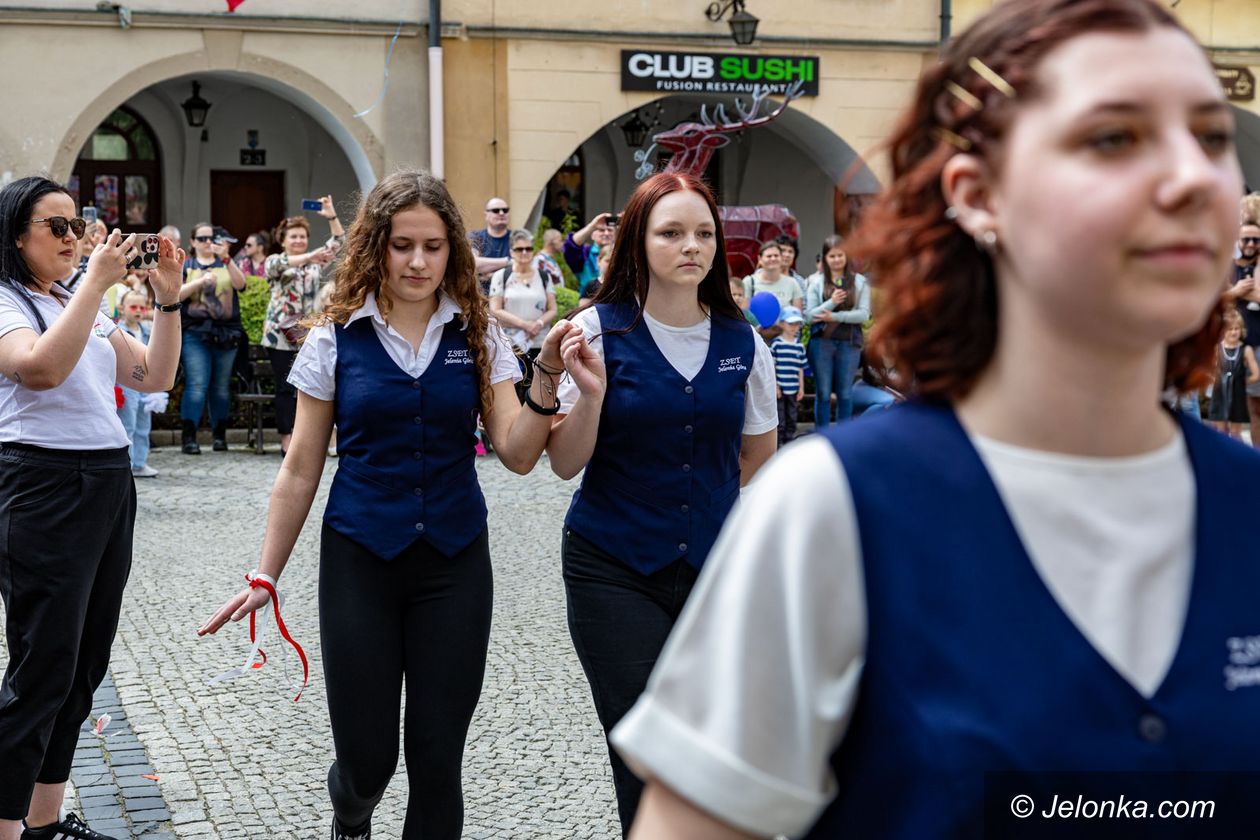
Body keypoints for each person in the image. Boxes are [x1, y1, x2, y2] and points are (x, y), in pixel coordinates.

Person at [612, 2, 1260, 837]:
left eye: (1210, 137)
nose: (1189, 177)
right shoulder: (842, 506)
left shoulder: (1247, 507)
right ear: (978, 193)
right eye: (1113, 139)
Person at [198, 170, 567, 840]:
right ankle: (351, 814)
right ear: (377, 247)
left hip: (455, 563)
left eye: (432, 245)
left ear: (453, 249)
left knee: (437, 762)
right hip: (359, 559)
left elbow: (516, 452)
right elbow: (302, 466)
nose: (419, 261)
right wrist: (265, 574)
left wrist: (546, 378)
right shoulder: (335, 336)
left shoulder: (479, 336)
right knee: (368, 761)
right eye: (402, 245)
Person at [544, 171, 778, 836]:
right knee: (644, 750)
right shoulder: (597, 330)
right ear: (639, 242)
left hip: (712, 571)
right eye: (671, 232)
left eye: (704, 234)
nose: (691, 247)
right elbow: (564, 463)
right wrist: (589, 395)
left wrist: (709, 514)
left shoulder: (743, 344)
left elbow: (758, 453)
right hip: (610, 565)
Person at [0, 176, 183, 840]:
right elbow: (39, 369)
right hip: (42, 482)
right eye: (56, 226)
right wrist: (95, 286)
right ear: (16, 236)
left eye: (76, 224)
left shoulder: (74, 300)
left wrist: (167, 303)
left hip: (105, 480)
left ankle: (44, 823)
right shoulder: (8, 301)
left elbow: (151, 377)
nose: (73, 237)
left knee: (83, 664)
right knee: (40, 667)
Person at [263, 200, 345, 454]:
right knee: (285, 389)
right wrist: (311, 256)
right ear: (284, 240)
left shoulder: (315, 262)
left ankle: (325, 439)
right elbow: (276, 267)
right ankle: (286, 438)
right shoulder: (276, 260)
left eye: (302, 236)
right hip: (279, 336)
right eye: (293, 236)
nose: (298, 240)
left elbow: (339, 241)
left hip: (307, 333)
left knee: (317, 386)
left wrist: (331, 216)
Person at [176, 221, 247, 454]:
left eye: (211, 239)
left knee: (220, 387)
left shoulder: (225, 263)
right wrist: (198, 281)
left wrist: (227, 258)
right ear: (193, 242)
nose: (208, 243)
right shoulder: (186, 265)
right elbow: (175, 295)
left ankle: (219, 436)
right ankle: (190, 438)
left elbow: (241, 284)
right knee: (196, 384)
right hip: (195, 332)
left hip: (226, 333)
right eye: (203, 239)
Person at [805, 236, 871, 428]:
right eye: (832, 256)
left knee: (845, 393)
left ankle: (844, 437)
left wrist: (833, 316)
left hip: (849, 343)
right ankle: (822, 436)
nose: (836, 260)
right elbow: (810, 316)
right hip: (821, 343)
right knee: (823, 393)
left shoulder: (860, 282)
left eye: (840, 255)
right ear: (825, 258)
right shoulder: (815, 282)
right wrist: (832, 302)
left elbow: (864, 315)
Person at [488, 229, 557, 363]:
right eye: (519, 249)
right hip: (510, 343)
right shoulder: (501, 276)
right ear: (511, 252)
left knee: (540, 381)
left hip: (540, 341)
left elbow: (553, 308)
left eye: (528, 248)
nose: (524, 252)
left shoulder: (544, 276)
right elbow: (495, 309)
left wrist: (538, 323)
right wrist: (524, 325)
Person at [115, 288, 160, 477]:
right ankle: (127, 463)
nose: (139, 311)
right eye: (133, 306)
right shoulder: (117, 331)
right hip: (126, 384)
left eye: (143, 307)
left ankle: (140, 462)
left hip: (145, 383)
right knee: (128, 424)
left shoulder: (147, 331)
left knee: (143, 424)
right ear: (122, 309)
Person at [1207, 309, 1258, 439]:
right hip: (1220, 393)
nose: (1234, 332)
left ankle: (1237, 454)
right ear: (1223, 331)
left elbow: (1256, 374)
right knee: (1220, 430)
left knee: (1236, 433)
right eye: (1230, 329)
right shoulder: (1217, 349)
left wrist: (1242, 382)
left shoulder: (1246, 350)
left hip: (1237, 395)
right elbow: (1208, 370)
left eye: (1237, 329)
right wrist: (1214, 379)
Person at [770, 306, 806, 446]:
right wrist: (776, 386)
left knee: (792, 418)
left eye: (797, 324)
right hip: (780, 389)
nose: (794, 327)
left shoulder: (799, 346)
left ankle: (788, 445)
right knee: (780, 420)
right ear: (782, 324)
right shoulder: (776, 344)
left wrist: (801, 388)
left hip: (793, 389)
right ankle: (777, 447)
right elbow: (772, 367)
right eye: (791, 323)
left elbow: (800, 369)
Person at [564, 212, 617, 296]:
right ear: (592, 235)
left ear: (615, 234)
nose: (606, 233)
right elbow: (570, 247)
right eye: (601, 230)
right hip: (588, 302)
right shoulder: (585, 253)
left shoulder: (623, 255)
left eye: (610, 230)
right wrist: (593, 225)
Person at [470, 196, 511, 288]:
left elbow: (522, 269)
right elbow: (473, 264)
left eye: (505, 210)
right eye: (496, 210)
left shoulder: (517, 238)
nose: (501, 213)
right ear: (486, 215)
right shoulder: (475, 237)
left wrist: (490, 276)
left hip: (509, 297)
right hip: (481, 299)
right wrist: (508, 261)